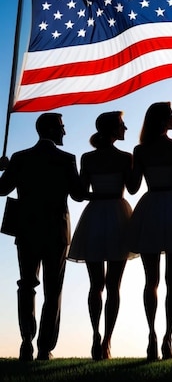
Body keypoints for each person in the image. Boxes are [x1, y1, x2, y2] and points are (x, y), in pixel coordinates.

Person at [0, 113, 85, 361]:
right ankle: (45, 347)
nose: (65, 132)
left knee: (26, 284)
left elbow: (2, 189)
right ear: (50, 129)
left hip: (26, 230)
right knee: (53, 289)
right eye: (62, 127)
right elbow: (78, 195)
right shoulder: (67, 159)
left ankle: (27, 339)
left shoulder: (20, 158)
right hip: (57, 232)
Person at [127, 102, 172, 361]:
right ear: (164, 120)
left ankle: (152, 334)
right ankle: (168, 336)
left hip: (151, 206)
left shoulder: (140, 150)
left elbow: (133, 188)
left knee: (151, 279)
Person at [67, 111, 135, 360]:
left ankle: (96, 335)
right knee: (113, 285)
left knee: (95, 284)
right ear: (113, 130)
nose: (125, 127)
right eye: (121, 124)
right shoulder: (126, 157)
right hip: (118, 214)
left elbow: (79, 193)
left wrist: (98, 196)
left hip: (95, 217)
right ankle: (106, 339)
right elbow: (135, 188)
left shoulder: (88, 158)